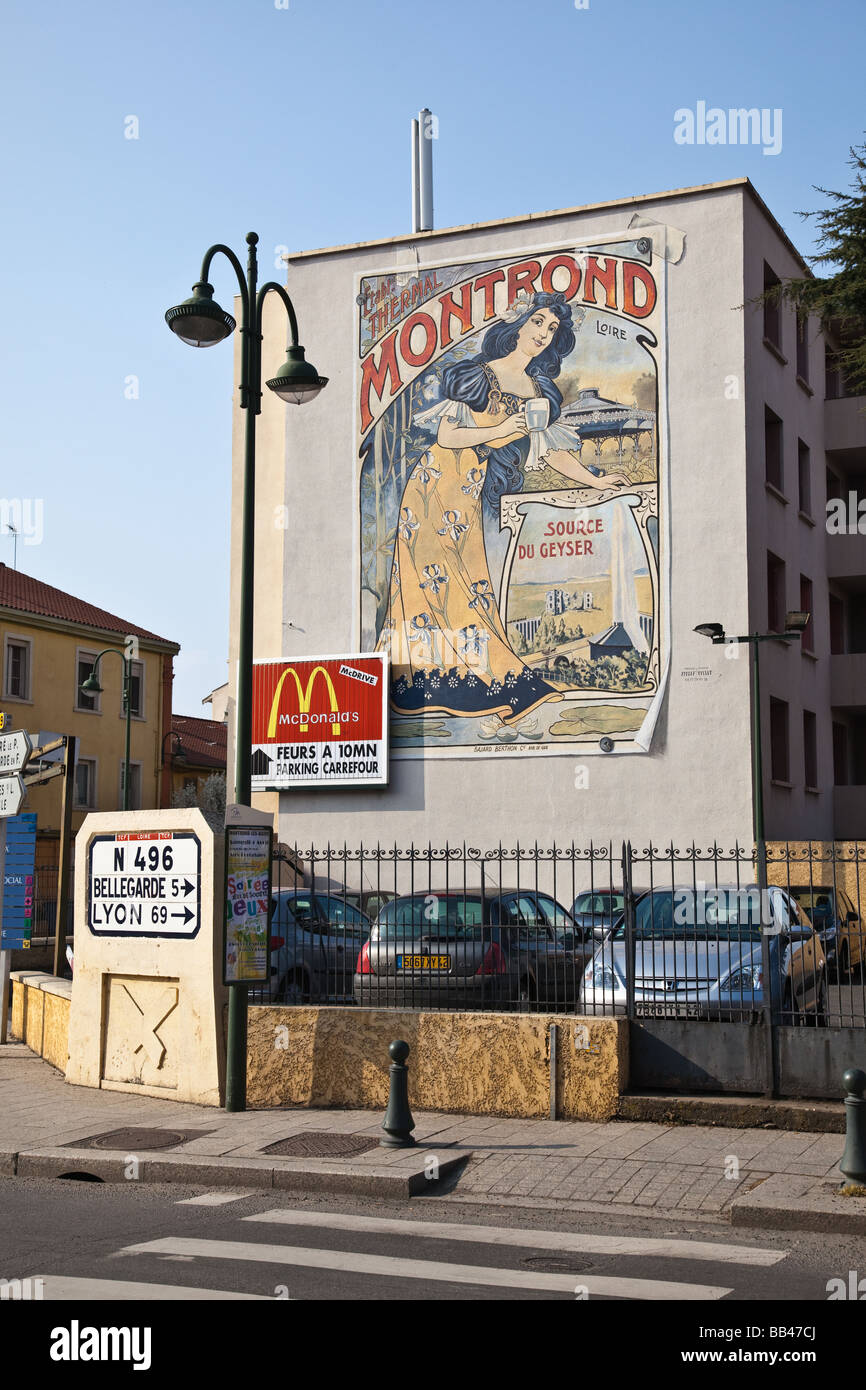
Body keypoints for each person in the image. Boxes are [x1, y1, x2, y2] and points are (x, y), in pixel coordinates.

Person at [379, 290, 629, 724]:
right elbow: (447, 437)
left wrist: (596, 479)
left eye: (552, 329)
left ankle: (476, 678)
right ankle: (424, 680)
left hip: (468, 491)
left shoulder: (539, 391)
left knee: (470, 582)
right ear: (518, 324)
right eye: (539, 323)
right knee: (429, 584)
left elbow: (549, 451)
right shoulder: (477, 375)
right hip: (433, 484)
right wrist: (500, 428)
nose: (544, 334)